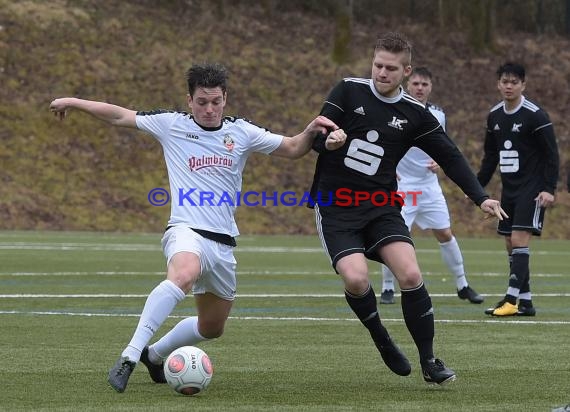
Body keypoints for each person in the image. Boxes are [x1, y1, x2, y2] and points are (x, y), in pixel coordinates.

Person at [49, 63, 338, 393]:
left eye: (216, 101)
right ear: (189, 100)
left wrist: (312, 130)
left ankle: (154, 355)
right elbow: (119, 116)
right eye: (202, 101)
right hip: (185, 230)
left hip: (223, 243)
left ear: (225, 99)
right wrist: (73, 101)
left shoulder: (241, 132)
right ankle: (128, 356)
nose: (209, 109)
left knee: (212, 327)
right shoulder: (171, 125)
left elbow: (292, 148)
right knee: (183, 274)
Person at [309, 32, 506, 386]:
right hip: (335, 207)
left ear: (406, 71)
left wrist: (481, 197)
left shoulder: (416, 114)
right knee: (355, 279)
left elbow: (451, 156)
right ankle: (380, 336)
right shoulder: (347, 90)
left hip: (381, 206)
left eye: (390, 68)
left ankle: (429, 361)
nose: (381, 73)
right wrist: (328, 141)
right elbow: (317, 137)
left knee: (411, 275)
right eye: (378, 65)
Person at [378, 67, 483, 305]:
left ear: (430, 87)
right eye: (415, 83)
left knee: (445, 233)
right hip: (402, 186)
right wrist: (388, 165)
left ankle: (462, 284)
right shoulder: (394, 107)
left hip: (428, 186)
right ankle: (387, 287)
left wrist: (439, 160)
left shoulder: (438, 114)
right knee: (393, 236)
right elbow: (384, 140)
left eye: (424, 84)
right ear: (408, 83)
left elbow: (442, 144)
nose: (419, 88)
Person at [477, 62, 559, 317]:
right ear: (498, 84)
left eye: (514, 82)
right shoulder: (494, 116)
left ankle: (511, 300)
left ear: (523, 84)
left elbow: (552, 155)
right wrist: (476, 189)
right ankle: (526, 302)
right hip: (509, 190)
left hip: (532, 189)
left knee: (519, 240)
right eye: (505, 81)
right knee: (510, 245)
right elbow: (490, 157)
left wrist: (548, 188)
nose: (509, 86)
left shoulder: (535, 115)